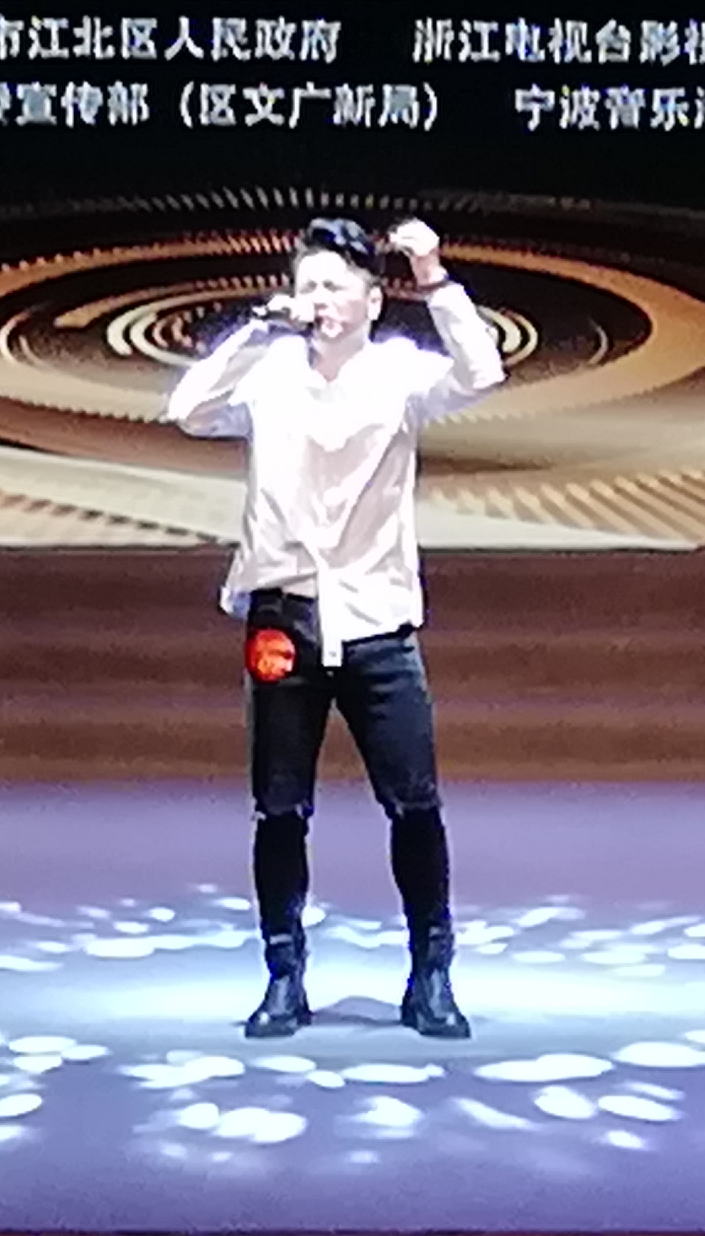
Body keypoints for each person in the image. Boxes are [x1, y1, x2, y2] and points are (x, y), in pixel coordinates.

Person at [165, 213, 505, 1039]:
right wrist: (258, 328)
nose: (317, 298)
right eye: (306, 285)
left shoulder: (400, 372)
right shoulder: (269, 371)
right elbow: (188, 408)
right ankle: (284, 975)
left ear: (371, 299)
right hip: (284, 615)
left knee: (414, 802)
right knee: (280, 807)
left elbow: (481, 371)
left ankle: (431, 974)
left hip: (378, 618)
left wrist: (434, 275)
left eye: (333, 285)